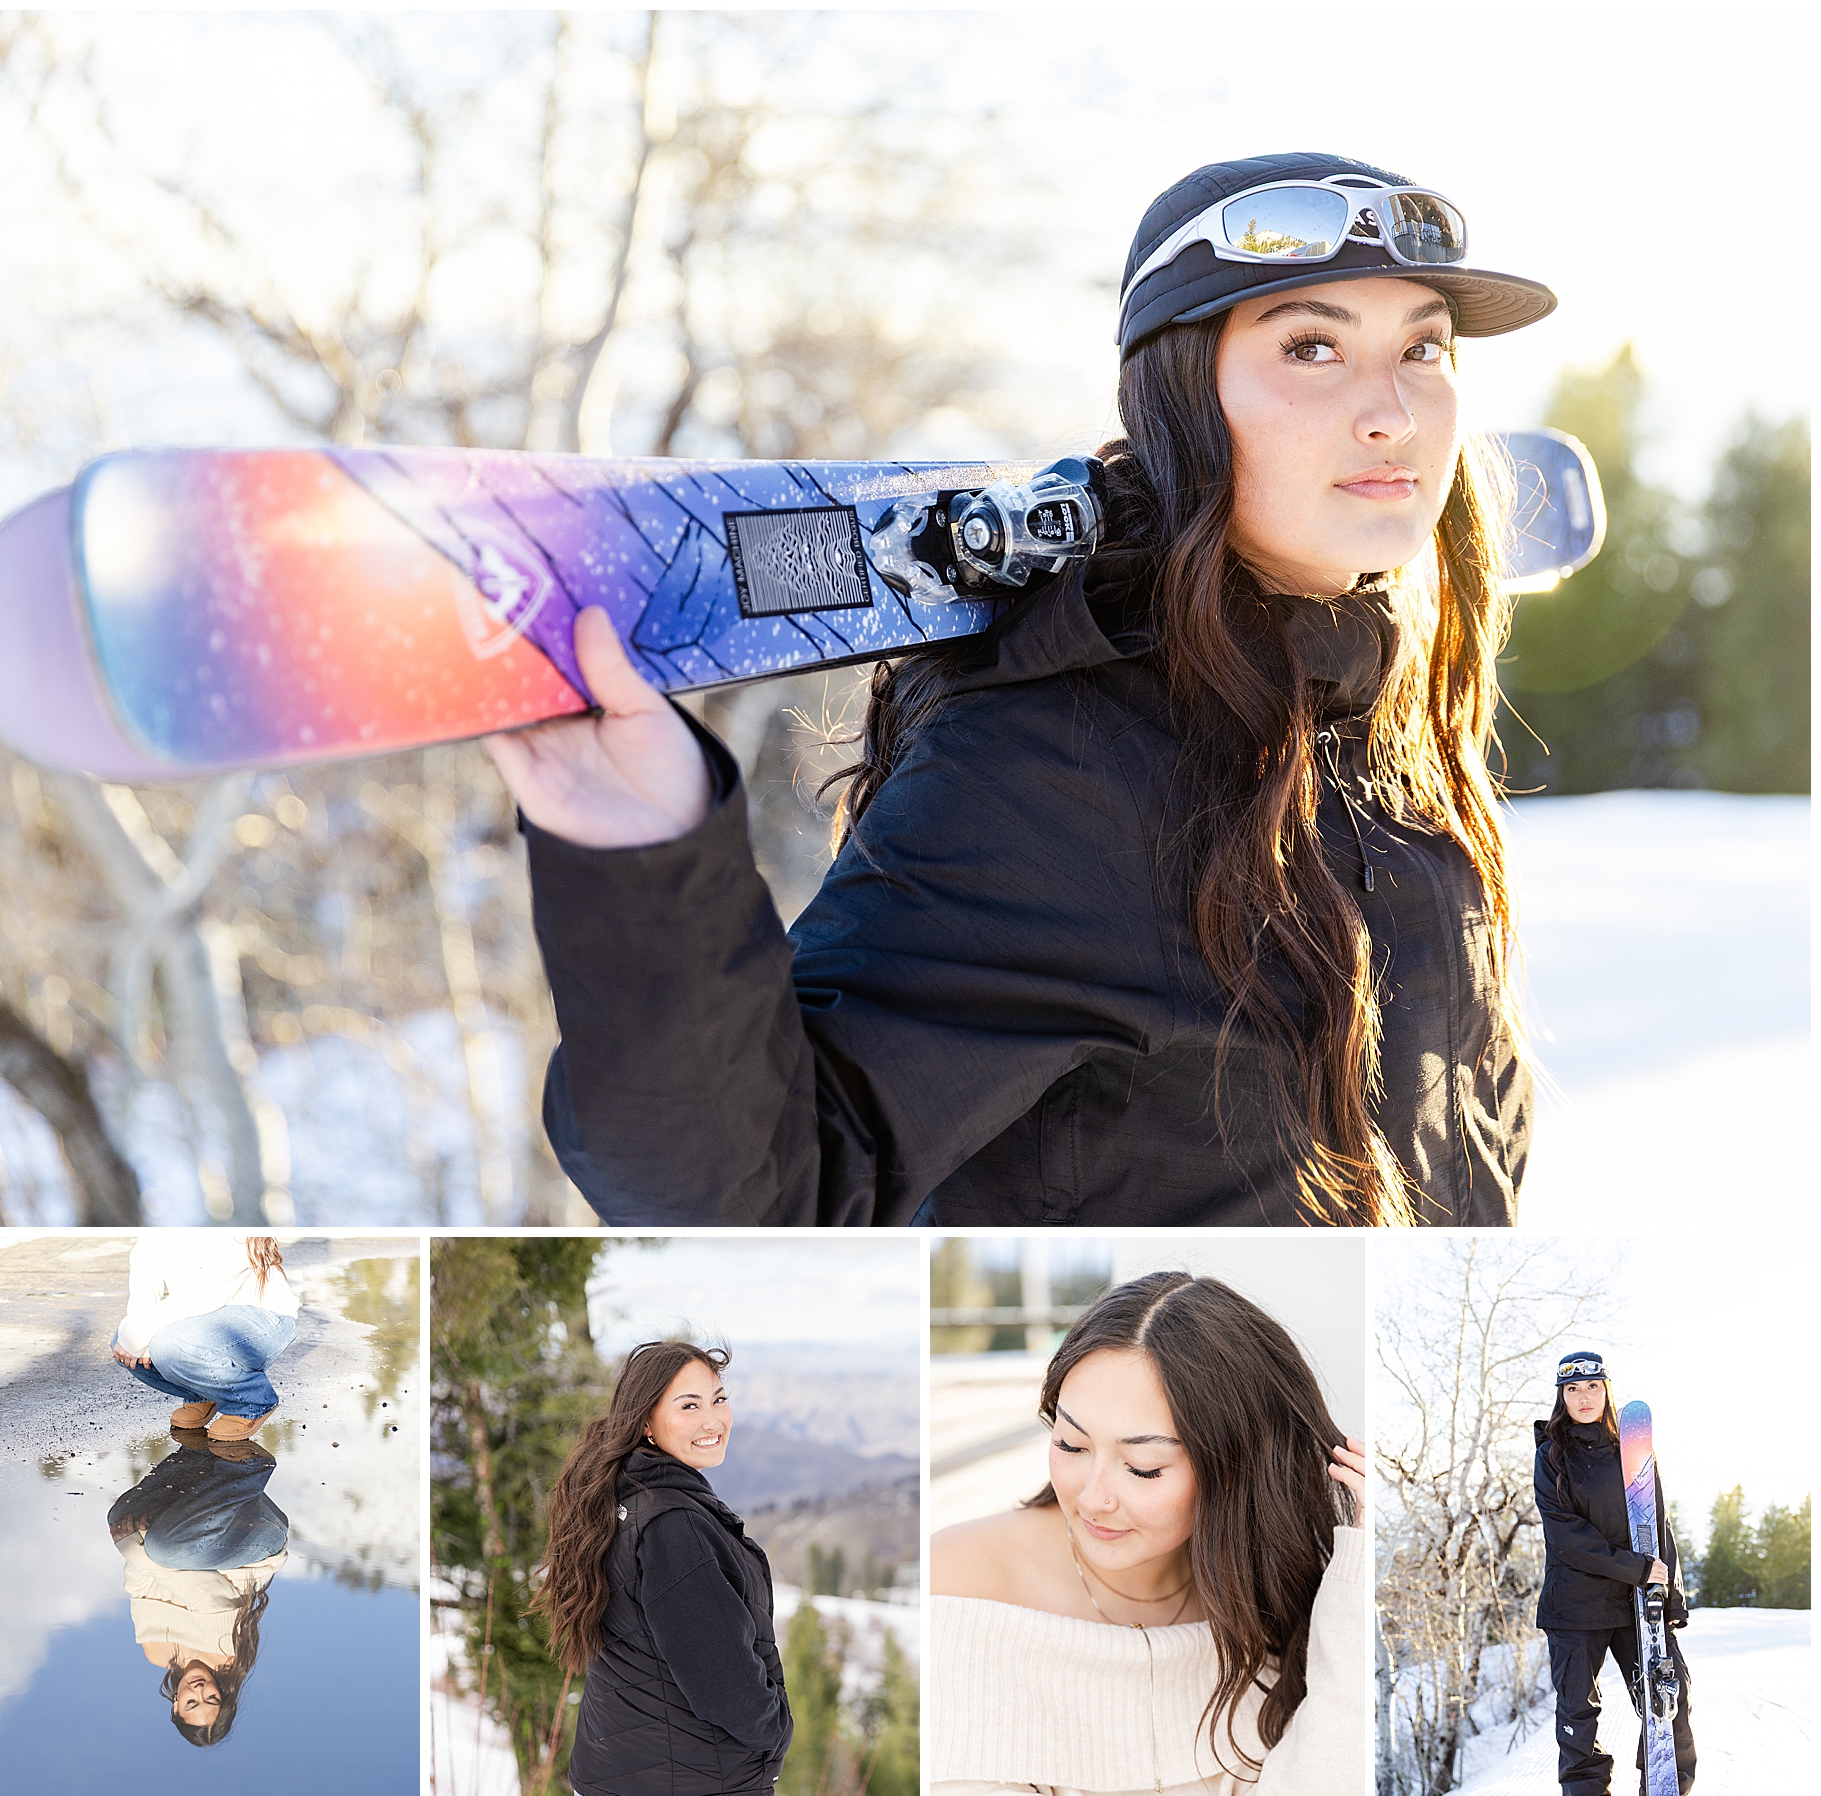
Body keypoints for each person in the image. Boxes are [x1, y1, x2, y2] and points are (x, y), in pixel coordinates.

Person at [488, 152, 1560, 1229]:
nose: (1392, 413)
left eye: (1422, 347)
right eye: (1310, 347)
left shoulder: (1392, 736)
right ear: (1180, 397)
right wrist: (641, 867)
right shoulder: (1058, 767)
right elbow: (763, 1192)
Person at [929, 1272, 1366, 1796]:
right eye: (1071, 1444)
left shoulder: (1256, 1602)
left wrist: (1356, 1575)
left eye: (1143, 1467)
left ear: (1237, 1464)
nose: (1094, 1497)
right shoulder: (960, 1586)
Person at [534, 1341, 800, 1796]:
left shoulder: (610, 1499)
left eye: (718, 1399)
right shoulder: (673, 1526)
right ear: (647, 1421)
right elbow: (721, 1677)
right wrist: (775, 1731)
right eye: (689, 1405)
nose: (713, 1419)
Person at [1535, 1351, 1709, 1796]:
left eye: (1592, 1387)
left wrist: (1668, 1592)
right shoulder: (1550, 1455)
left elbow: (1657, 1522)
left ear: (1606, 1391)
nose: (1583, 1397)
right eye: (1572, 1390)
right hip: (1575, 1602)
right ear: (1561, 1397)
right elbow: (1565, 1534)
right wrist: (1636, 1569)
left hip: (1638, 1605)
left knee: (1668, 1696)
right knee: (1578, 1703)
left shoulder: (1633, 1448)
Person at [107, 1435, 290, 1746]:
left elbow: (138, 1586)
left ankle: (197, 1450)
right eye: (212, 1699)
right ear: (223, 1696)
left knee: (120, 1519)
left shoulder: (156, 1653)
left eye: (192, 1702)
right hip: (254, 1538)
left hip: (195, 1534)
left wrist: (138, 1549)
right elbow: (203, 1591)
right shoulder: (228, 1659)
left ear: (176, 1703)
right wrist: (135, 1550)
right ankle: (251, 1468)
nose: (202, 1691)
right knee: (158, 1547)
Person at [110, 1233, 300, 1441]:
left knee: (167, 1345)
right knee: (124, 1343)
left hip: (263, 1314)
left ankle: (251, 1401)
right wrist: (136, 1332)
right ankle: (204, 1394)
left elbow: (208, 1291)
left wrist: (141, 1332)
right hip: (203, 1315)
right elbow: (144, 1281)